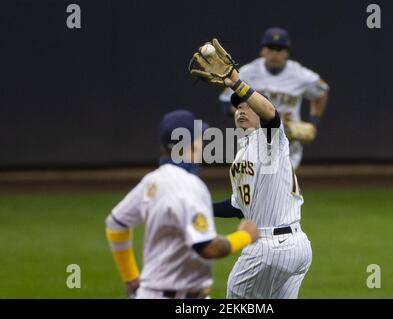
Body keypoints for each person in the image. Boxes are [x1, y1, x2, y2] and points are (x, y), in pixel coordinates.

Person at [191, 39, 312, 298]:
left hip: (268, 247)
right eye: (238, 107)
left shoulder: (270, 138)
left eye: (247, 106)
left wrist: (236, 82)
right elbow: (238, 207)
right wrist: (200, 206)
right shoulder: (242, 153)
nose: (241, 110)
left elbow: (270, 112)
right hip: (297, 248)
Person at [105, 109, 259, 299]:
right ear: (190, 144)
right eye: (200, 137)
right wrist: (245, 235)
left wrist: (130, 277)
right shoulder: (190, 185)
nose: (203, 142)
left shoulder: (152, 180)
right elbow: (208, 248)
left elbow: (116, 224)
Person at [219, 27, 330, 169]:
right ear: (262, 51)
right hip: (257, 140)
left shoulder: (300, 75)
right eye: (270, 48)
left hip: (289, 142)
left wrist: (314, 123)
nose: (275, 53)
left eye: (280, 49)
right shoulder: (248, 72)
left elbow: (321, 93)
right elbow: (224, 102)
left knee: (281, 187)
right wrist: (247, 116)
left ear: (287, 53)